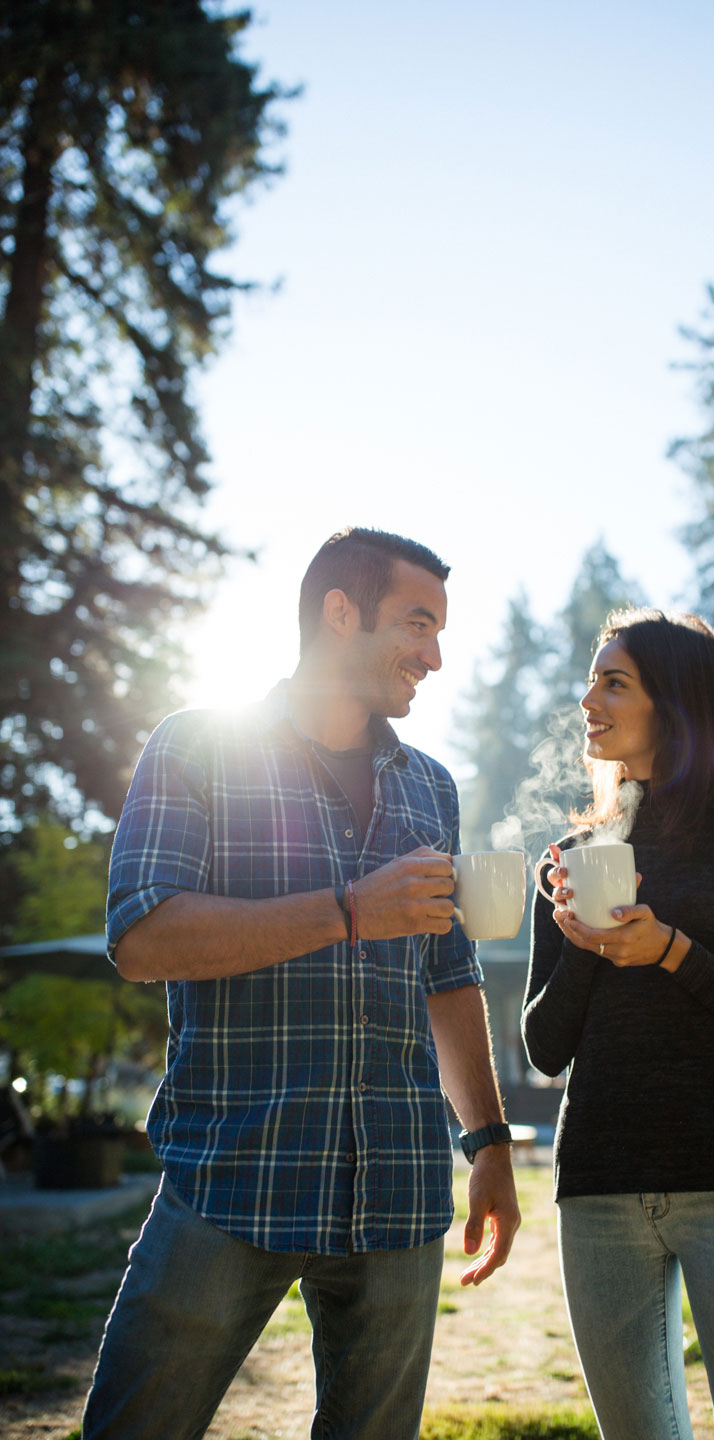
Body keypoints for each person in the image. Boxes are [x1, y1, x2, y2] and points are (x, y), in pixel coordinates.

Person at [82, 527, 520, 1440]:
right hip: (232, 1179)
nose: (436, 656)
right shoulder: (198, 745)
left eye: (440, 631)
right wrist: (347, 909)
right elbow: (141, 936)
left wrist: (489, 1142)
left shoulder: (430, 786)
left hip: (399, 1194)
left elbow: (448, 972)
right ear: (338, 613)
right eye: (417, 623)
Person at [521, 607, 714, 1440]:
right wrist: (581, 939)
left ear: (677, 703)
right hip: (598, 1193)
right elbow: (545, 1050)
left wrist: (671, 952)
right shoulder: (570, 857)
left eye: (612, 681)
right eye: (591, 678)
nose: (588, 697)